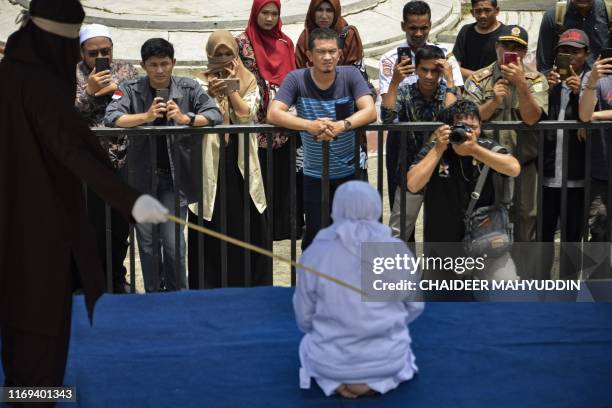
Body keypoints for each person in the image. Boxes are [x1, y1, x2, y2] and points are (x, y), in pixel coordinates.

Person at [0, 0, 167, 389]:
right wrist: (133, 201)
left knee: (17, 317)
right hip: (34, 222)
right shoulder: (38, 84)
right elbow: (74, 150)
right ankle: (35, 396)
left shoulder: (10, 74)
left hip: (15, 218)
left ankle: (23, 388)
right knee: (40, 321)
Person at [104, 38, 223, 293]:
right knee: (146, 242)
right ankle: (153, 296)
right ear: (144, 66)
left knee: (173, 242)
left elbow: (214, 114)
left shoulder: (189, 87)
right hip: (139, 178)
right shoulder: (129, 87)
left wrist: (184, 118)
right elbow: (111, 117)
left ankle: (178, 296)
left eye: (164, 64)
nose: (159, 70)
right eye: (153, 65)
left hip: (173, 179)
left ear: (174, 63)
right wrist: (146, 117)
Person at [293, 181, 424, 398]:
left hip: (330, 363)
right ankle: (372, 381)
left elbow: (303, 317)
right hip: (387, 361)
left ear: (335, 209)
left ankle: (338, 382)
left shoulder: (317, 251)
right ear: (376, 207)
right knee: (400, 348)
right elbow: (415, 306)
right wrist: (384, 324)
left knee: (308, 344)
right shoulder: (396, 250)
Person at [267, 28, 377, 250]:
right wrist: (310, 126)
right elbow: (273, 112)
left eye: (332, 51)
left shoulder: (350, 75)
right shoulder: (296, 79)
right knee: (317, 239)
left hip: (351, 172)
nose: (327, 57)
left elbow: (370, 110)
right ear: (309, 55)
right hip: (315, 175)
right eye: (320, 52)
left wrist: (340, 126)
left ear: (339, 53)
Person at [187, 30, 270, 288]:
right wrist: (212, 95)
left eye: (228, 53)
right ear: (209, 55)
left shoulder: (249, 81)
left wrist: (232, 88)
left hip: (241, 162)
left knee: (244, 222)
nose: (223, 59)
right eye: (218, 54)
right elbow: (200, 117)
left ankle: (248, 285)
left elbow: (246, 114)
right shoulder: (197, 83)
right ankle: (210, 286)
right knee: (210, 219)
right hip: (211, 164)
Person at [407, 100, 521, 281]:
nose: (468, 133)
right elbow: (413, 184)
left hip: (486, 245)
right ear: (449, 128)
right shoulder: (436, 149)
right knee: (440, 303)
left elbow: (514, 168)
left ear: (480, 127)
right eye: (461, 127)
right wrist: (438, 148)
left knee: (506, 287)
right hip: (443, 249)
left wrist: (475, 150)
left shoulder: (486, 146)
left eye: (473, 127)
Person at [463, 25, 549, 247]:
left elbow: (532, 118)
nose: (511, 51)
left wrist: (521, 85)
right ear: (496, 47)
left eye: (517, 48)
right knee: (486, 225)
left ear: (525, 52)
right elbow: (468, 120)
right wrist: (493, 102)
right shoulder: (478, 79)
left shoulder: (536, 80)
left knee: (525, 224)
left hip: (524, 167)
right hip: (486, 168)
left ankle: (524, 278)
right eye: (506, 45)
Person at [378, 0, 464, 209]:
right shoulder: (390, 59)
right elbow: (388, 113)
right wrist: (396, 80)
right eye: (413, 28)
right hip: (403, 142)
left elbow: (457, 102)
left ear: (431, 25)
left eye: (424, 28)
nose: (418, 33)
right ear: (403, 26)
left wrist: (449, 79)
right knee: (403, 211)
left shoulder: (445, 54)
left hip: (440, 140)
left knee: (442, 214)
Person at [75, 23, 139, 293]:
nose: (100, 58)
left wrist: (114, 91)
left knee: (120, 224)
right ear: (81, 52)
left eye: (106, 51)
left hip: (122, 158)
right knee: (87, 224)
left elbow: (136, 104)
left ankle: (115, 277)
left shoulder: (126, 71)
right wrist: (88, 93)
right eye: (93, 53)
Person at [235, 0, 303, 241]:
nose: (270, 18)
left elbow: (294, 80)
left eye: (274, 13)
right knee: (257, 180)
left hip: (283, 126)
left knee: (282, 180)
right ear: (256, 13)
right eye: (265, 13)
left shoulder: (285, 43)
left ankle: (281, 228)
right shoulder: (242, 44)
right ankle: (258, 231)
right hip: (254, 125)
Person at [381, 45, 457, 241]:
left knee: (443, 229)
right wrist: (395, 82)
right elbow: (387, 118)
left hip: (442, 169)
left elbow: (453, 117)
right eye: (424, 70)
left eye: (435, 70)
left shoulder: (447, 91)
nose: (430, 76)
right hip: (409, 167)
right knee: (398, 231)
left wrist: (450, 80)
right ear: (416, 69)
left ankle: (439, 271)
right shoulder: (405, 91)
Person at [542, 29, 590, 279]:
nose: (569, 56)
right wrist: (546, 91)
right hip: (545, 176)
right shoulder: (544, 81)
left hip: (577, 177)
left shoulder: (592, 84)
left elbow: (590, 121)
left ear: (586, 54)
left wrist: (579, 93)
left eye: (575, 51)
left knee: (572, 241)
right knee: (542, 240)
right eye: (564, 51)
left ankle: (568, 298)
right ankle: (540, 293)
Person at [579, 51, 612, 280]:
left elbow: (591, 116)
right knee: (598, 234)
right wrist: (591, 82)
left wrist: (597, 116)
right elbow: (584, 114)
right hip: (601, 172)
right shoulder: (595, 78)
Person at [537, 0, 611, 73]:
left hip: (602, 82)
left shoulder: (608, 14)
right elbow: (544, 67)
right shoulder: (554, 15)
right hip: (565, 82)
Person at [295, 0, 366, 73]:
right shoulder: (305, 38)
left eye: (329, 11)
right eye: (319, 10)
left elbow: (356, 74)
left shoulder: (349, 36)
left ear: (336, 12)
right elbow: (298, 73)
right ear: (312, 11)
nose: (324, 16)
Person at [453, 0, 505, 80]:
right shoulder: (466, 31)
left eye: (487, 10)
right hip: (468, 88)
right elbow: (454, 67)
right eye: (478, 11)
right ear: (472, 13)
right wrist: (482, 78)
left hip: (496, 87)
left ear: (497, 11)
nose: (482, 15)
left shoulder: (506, 35)